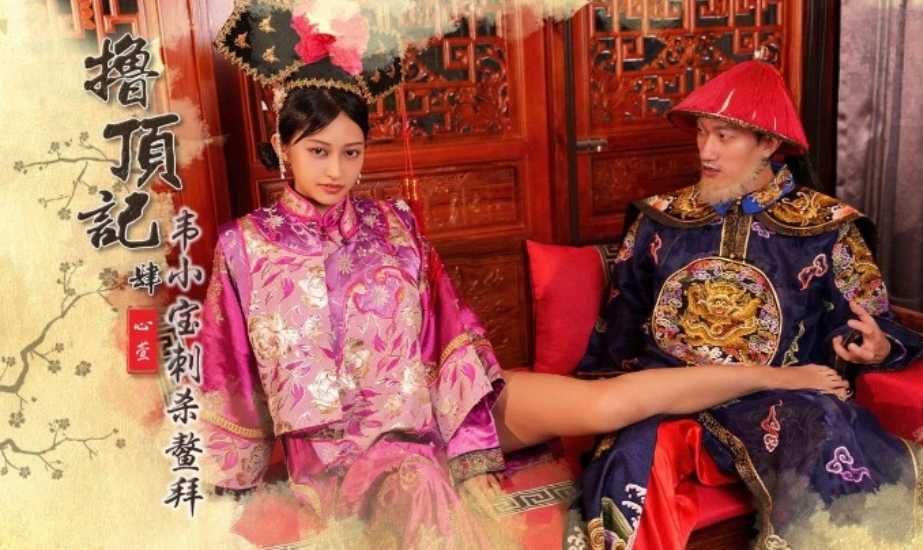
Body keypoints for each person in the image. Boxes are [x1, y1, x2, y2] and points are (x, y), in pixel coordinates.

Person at [201, 4, 852, 548]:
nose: (336, 171)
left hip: (444, 402)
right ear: (282, 146)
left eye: (352, 152)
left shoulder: (393, 224)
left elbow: (448, 327)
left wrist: (462, 428)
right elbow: (227, 375)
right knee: (415, 483)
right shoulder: (246, 247)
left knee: (606, 402)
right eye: (318, 151)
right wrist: (229, 489)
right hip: (345, 450)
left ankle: (773, 376)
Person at [572, 59, 923, 550]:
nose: (706, 150)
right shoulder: (660, 218)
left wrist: (875, 346)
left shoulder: (826, 227)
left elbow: (868, 321)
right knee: (627, 460)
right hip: (669, 393)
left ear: (768, 143)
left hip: (777, 399)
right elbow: (621, 320)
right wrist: (607, 392)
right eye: (702, 133)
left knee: (823, 429)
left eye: (724, 137)